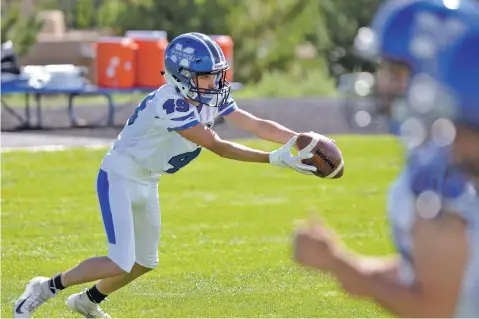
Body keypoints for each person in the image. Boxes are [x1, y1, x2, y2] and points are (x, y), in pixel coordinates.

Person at [13, 32, 320, 318]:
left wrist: (300, 140)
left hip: (148, 179)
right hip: (119, 174)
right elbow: (218, 146)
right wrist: (273, 159)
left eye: (215, 76)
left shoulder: (209, 96)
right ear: (181, 75)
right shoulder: (170, 101)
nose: (213, 83)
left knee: (144, 262)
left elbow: (256, 124)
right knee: (119, 259)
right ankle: (44, 287)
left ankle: (87, 300)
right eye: (204, 77)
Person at [293, 0, 479, 317]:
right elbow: (442, 273)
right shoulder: (443, 155)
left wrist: (341, 266)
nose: (381, 81)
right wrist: (350, 269)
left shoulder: (449, 176)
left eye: (395, 70)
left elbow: (435, 308)